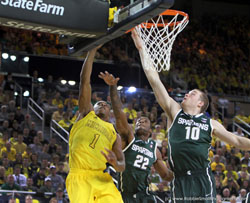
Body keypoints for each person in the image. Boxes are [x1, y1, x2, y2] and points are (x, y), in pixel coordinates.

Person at [131, 29, 250, 202]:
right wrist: (142, 48)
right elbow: (154, 80)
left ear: (201, 103)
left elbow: (237, 141)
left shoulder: (211, 123)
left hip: (201, 176)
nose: (187, 93)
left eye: (193, 93)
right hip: (180, 178)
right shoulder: (174, 111)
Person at [99, 71, 173, 203]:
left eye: (144, 121)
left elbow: (166, 175)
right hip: (125, 195)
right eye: (138, 121)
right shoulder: (129, 138)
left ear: (150, 131)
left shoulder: (154, 149)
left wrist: (182, 172)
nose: (140, 121)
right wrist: (113, 87)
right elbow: (119, 114)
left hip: (144, 195)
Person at [65, 46, 125, 203]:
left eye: (106, 104)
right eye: (99, 103)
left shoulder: (114, 133)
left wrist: (114, 163)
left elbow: (122, 165)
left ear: (110, 111)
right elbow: (84, 82)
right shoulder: (86, 114)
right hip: (79, 175)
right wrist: (92, 52)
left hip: (101, 177)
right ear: (93, 106)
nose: (103, 104)